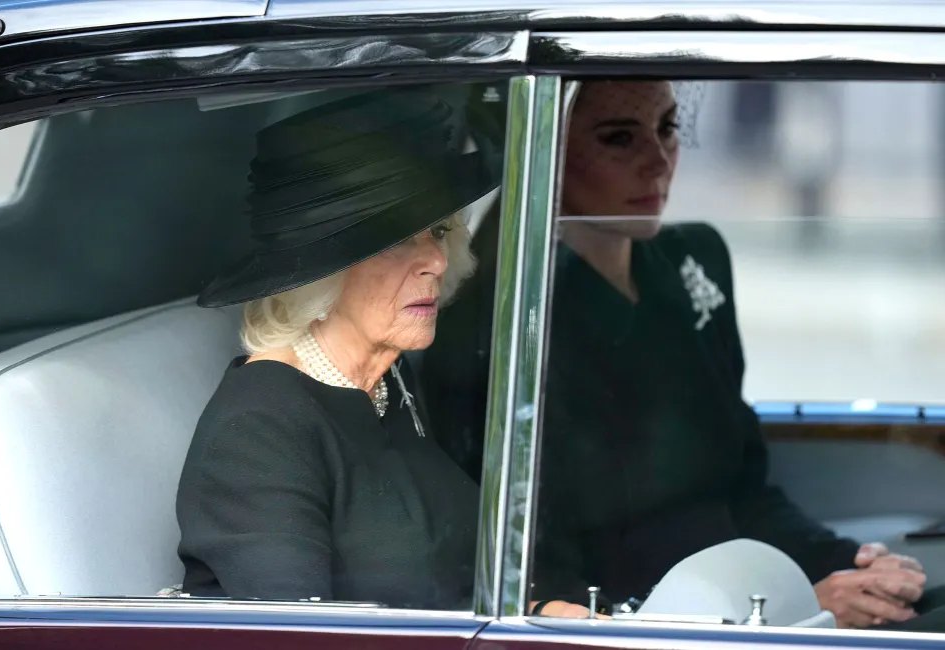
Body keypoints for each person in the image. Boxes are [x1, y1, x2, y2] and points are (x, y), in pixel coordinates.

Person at [423, 79, 945, 629]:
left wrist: (847, 562)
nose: (659, 160)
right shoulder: (502, 324)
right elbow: (547, 579)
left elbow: (744, 492)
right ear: (542, 150)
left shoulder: (692, 261)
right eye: (619, 138)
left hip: (753, 583)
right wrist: (799, 605)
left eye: (668, 128)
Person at [174, 86, 595, 617]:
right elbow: (298, 638)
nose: (437, 263)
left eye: (439, 232)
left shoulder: (385, 382)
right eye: (398, 239)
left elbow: (440, 575)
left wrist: (537, 612)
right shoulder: (259, 432)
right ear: (320, 273)